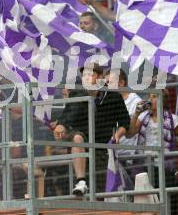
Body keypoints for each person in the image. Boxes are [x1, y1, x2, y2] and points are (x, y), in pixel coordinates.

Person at [53, 63, 132, 195]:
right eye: (84, 75)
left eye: (90, 74)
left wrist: (118, 135)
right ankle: (81, 182)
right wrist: (61, 126)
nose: (86, 78)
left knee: (100, 194)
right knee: (77, 138)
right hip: (81, 142)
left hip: (102, 148)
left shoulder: (113, 95)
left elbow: (125, 122)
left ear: (100, 77)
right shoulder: (77, 93)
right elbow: (68, 115)